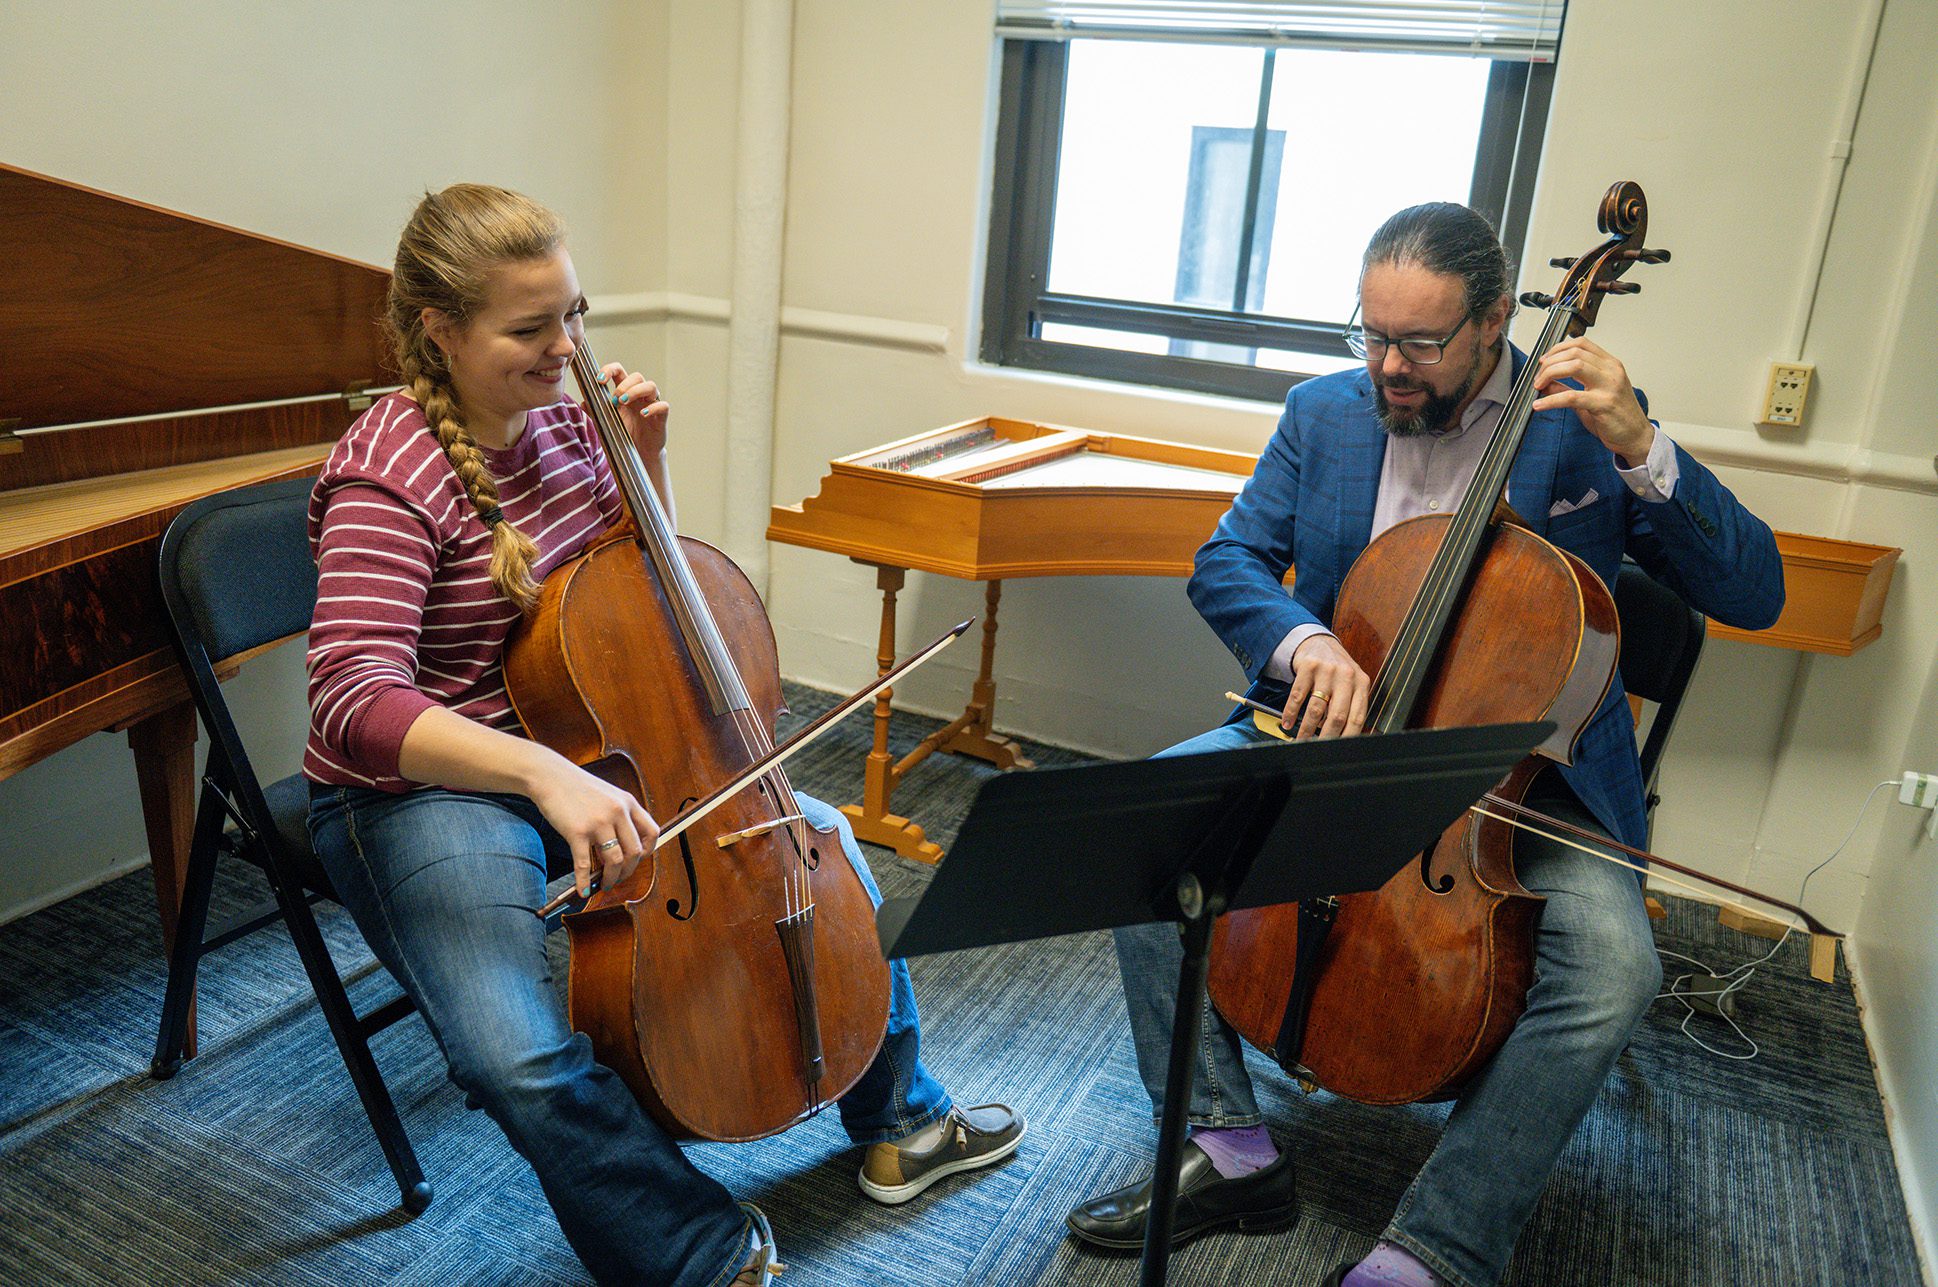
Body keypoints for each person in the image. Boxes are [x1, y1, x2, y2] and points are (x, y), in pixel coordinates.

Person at [303, 183, 1024, 1287]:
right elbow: (352, 701)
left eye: (576, 314)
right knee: (515, 1057)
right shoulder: (386, 475)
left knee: (820, 853)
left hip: (590, 748)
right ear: (440, 333)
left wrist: (647, 460)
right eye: (532, 328)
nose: (569, 349)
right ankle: (691, 1245)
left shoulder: (569, 418)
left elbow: (642, 599)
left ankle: (905, 1121)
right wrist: (543, 777)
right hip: (424, 789)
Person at [1065, 202, 1783, 1287]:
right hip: (1331, 736)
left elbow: (1754, 592)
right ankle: (1227, 1145)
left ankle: (1442, 1243)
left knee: (1615, 972)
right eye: (1372, 334)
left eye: (1420, 344)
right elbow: (1228, 562)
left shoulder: (1577, 432)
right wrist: (1304, 642)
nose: (1388, 368)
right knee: (1141, 837)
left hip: (1520, 785)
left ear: (1498, 321)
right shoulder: (1322, 413)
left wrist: (1640, 443)